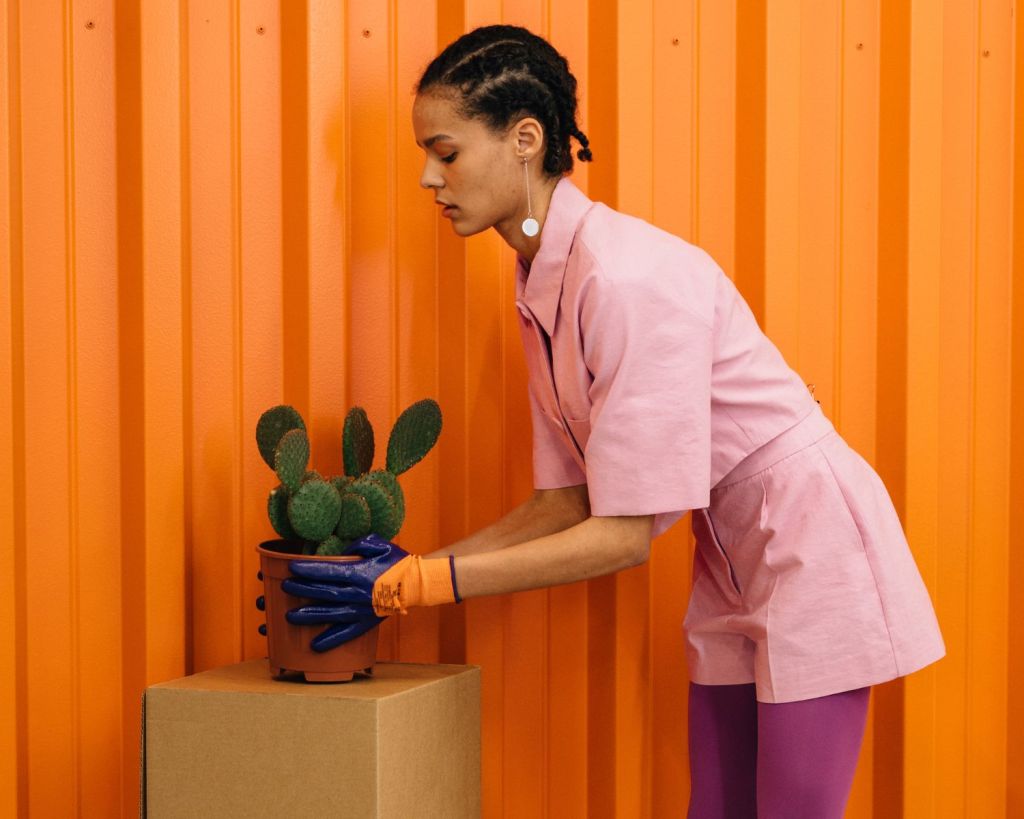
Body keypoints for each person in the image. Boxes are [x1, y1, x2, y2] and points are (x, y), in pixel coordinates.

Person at [279, 24, 946, 817]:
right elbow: (565, 503)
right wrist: (411, 565)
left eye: (446, 152)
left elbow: (621, 536)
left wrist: (415, 585)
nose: (429, 177)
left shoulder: (627, 279)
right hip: (729, 551)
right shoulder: (541, 282)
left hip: (811, 541)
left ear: (525, 139)